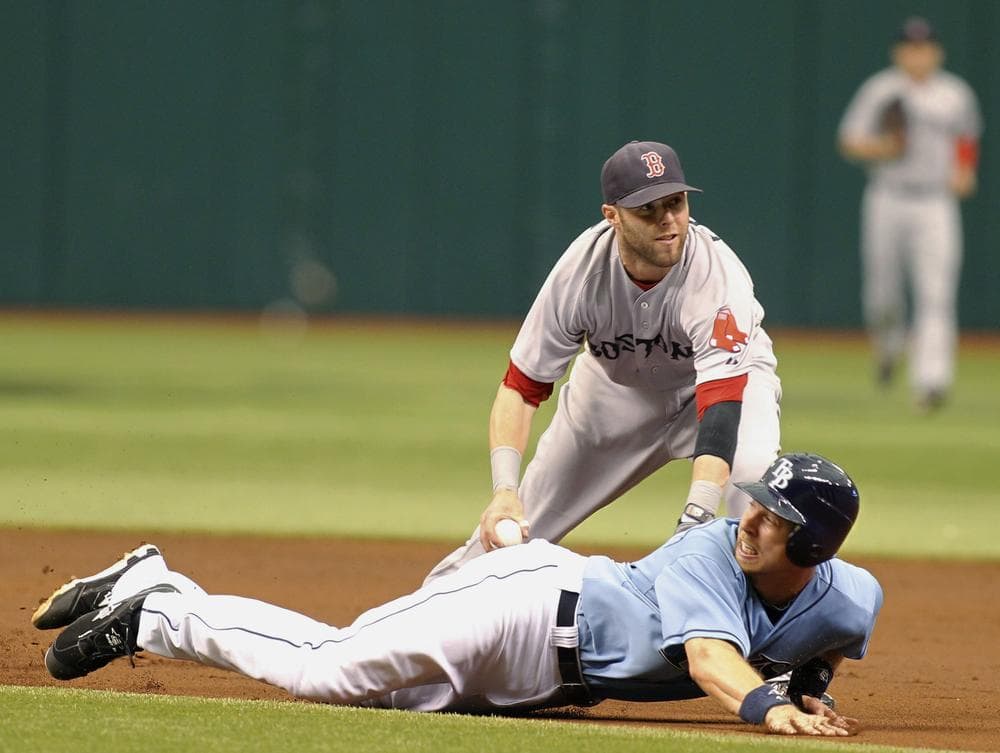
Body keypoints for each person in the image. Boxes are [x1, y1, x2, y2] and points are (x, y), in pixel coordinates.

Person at [35, 453, 881, 738]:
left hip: (543, 679)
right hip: (525, 606)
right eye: (754, 504)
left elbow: (838, 627)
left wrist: (812, 685)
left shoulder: (850, 594)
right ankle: (156, 603)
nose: (750, 522)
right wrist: (776, 709)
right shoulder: (710, 550)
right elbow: (708, 658)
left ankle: (155, 589)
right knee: (329, 666)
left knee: (377, 700)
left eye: (773, 519)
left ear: (811, 545)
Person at [426, 140, 782, 582]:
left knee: (753, 495)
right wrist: (504, 490)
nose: (668, 219)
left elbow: (723, 407)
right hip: (613, 395)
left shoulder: (718, 276)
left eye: (675, 202)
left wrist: (697, 512)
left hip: (720, 392)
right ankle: (422, 619)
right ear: (612, 215)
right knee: (513, 532)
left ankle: (764, 637)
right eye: (647, 209)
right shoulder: (580, 273)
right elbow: (522, 386)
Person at [838, 16, 983, 412]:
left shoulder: (955, 93)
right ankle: (888, 347)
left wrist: (965, 168)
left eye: (924, 46)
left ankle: (932, 381)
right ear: (898, 51)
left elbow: (967, 136)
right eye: (910, 46)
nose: (917, 54)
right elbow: (849, 140)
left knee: (936, 294)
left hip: (936, 202)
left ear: (936, 51)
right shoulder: (881, 89)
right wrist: (882, 148)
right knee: (883, 295)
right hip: (888, 197)